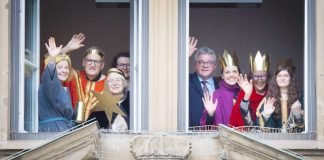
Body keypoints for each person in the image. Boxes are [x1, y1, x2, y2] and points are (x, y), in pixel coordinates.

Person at [256, 59, 304, 132]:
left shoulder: (300, 98)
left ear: (291, 78)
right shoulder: (269, 99)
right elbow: (258, 128)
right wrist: (266, 115)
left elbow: (306, 128)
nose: (282, 78)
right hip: (274, 142)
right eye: (279, 76)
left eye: (286, 75)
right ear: (275, 79)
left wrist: (297, 115)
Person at [38, 37, 74, 132]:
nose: (64, 70)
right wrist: (52, 58)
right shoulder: (48, 84)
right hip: (51, 130)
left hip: (63, 128)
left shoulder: (63, 88)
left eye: (66, 68)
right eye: (60, 67)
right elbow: (50, 74)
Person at [200, 50, 240, 126]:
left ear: (239, 74)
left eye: (234, 71)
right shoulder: (216, 95)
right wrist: (210, 114)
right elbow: (206, 126)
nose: (231, 75)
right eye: (227, 72)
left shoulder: (243, 94)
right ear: (222, 76)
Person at [229, 51, 270, 127]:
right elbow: (238, 122)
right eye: (256, 76)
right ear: (251, 77)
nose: (259, 79)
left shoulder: (273, 93)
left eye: (263, 75)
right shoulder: (244, 93)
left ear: (268, 77)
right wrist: (246, 96)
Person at [188, 37, 219, 127]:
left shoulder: (220, 86)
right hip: (191, 134)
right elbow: (173, 76)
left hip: (215, 134)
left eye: (209, 62)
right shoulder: (187, 81)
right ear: (195, 65)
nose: (205, 65)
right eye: (201, 62)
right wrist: (185, 57)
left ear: (215, 66)